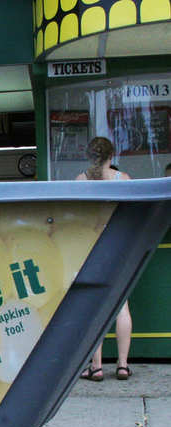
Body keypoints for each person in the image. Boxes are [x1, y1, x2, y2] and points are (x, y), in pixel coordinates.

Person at [77, 137, 133, 381]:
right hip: (120, 244)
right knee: (121, 306)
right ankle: (122, 365)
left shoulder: (81, 180)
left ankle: (96, 367)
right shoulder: (124, 179)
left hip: (92, 245)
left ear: (89, 156)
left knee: (94, 307)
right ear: (113, 155)